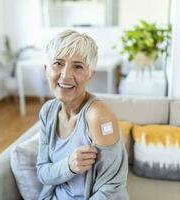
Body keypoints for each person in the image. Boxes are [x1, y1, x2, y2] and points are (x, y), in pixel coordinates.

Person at [36, 30, 128, 200]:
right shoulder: (47, 112)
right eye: (58, 63)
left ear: (91, 74)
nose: (65, 75)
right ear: (46, 69)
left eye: (78, 66)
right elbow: (42, 172)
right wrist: (69, 166)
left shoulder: (98, 116)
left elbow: (111, 189)